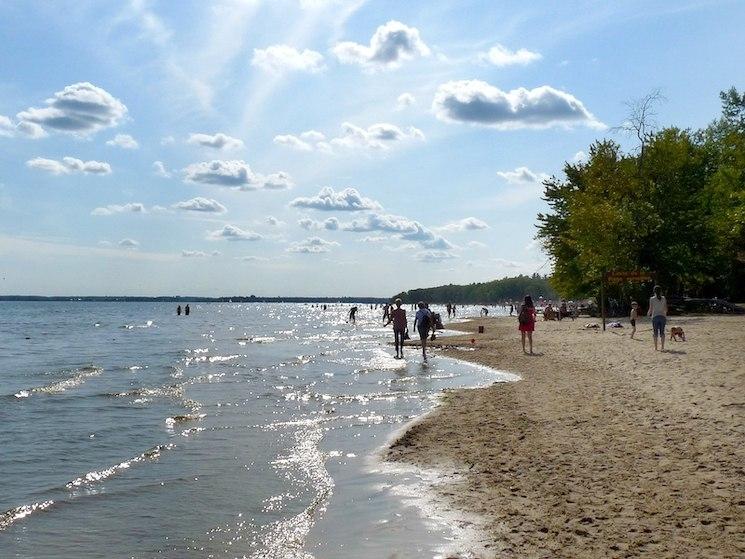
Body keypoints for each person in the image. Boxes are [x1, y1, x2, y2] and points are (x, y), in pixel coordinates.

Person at [647, 286, 668, 351]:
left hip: (655, 317)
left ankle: (656, 348)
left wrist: (648, 315)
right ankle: (662, 347)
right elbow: (666, 309)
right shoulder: (664, 298)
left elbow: (650, 309)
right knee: (662, 332)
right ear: (661, 291)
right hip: (662, 316)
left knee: (655, 332)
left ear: (654, 291)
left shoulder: (652, 299)